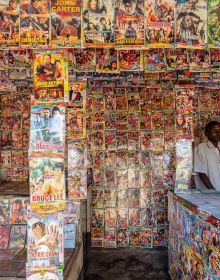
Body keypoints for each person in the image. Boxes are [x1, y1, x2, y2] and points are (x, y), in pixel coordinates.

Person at [194, 121, 220, 191]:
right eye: (215, 131)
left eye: (219, 131)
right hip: (211, 193)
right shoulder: (200, 148)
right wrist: (213, 191)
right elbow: (201, 172)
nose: (218, 133)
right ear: (206, 133)